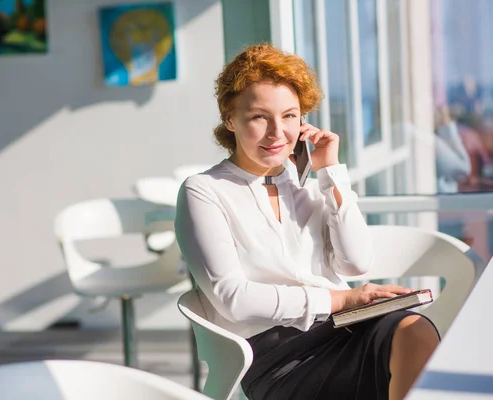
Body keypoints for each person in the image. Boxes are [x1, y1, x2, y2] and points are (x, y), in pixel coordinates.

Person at [174, 44, 440, 400]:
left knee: (414, 330)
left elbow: (356, 262)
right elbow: (232, 299)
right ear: (229, 119)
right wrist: (341, 299)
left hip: (343, 328)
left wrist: (331, 173)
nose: (277, 133)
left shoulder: (309, 188)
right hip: (276, 356)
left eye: (289, 116)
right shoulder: (204, 191)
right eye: (258, 117)